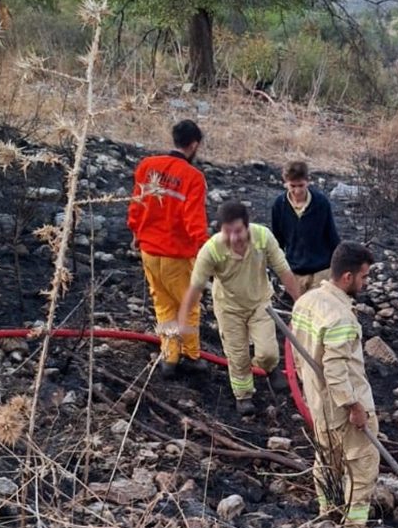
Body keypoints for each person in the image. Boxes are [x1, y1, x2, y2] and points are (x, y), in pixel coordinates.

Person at [177, 201, 302, 417]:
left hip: (259, 302)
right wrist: (182, 320)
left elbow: (284, 271)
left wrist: (301, 303)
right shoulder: (212, 250)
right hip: (229, 308)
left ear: (247, 226)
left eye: (238, 231)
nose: (233, 238)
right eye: (227, 232)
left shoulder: (263, 238)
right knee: (238, 355)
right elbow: (196, 286)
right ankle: (243, 396)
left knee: (267, 351)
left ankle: (271, 368)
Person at [290, 242, 379, 528]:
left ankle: (328, 513)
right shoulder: (341, 317)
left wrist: (310, 388)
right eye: (364, 277)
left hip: (318, 400)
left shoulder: (306, 301)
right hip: (344, 405)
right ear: (347, 277)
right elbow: (336, 369)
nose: (366, 283)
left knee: (327, 460)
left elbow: (297, 353)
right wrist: (354, 406)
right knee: (362, 465)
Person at [127, 119, 209, 379]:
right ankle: (192, 355)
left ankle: (169, 357)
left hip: (149, 251)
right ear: (194, 145)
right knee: (188, 305)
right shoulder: (192, 177)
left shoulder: (148, 166)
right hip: (178, 255)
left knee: (162, 304)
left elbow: (136, 206)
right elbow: (194, 220)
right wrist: (207, 251)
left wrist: (136, 232)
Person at [270, 159, 340, 294]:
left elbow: (331, 235)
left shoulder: (321, 203)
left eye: (301, 185)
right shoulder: (279, 205)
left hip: (321, 270)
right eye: (293, 186)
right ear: (285, 182)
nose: (297, 191)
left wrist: (340, 266)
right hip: (295, 271)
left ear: (308, 181)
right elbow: (277, 240)